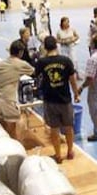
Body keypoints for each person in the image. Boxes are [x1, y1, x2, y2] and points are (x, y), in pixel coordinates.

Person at [34, 35, 80, 163]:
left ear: (45, 47)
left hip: (50, 100)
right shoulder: (66, 61)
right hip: (65, 99)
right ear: (56, 45)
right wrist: (76, 94)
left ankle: (58, 155)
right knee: (68, 127)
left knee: (54, 129)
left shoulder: (42, 62)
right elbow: (73, 80)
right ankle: (70, 151)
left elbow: (35, 77)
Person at [0, 40, 34, 138]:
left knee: (2, 126)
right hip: (9, 99)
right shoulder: (21, 63)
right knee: (13, 128)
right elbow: (34, 72)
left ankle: (4, 147)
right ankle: (13, 147)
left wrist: (3, 81)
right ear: (20, 52)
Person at [78, 33, 97, 141]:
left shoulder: (93, 59)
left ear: (93, 44)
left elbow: (90, 78)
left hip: (95, 88)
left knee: (94, 110)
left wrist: (81, 87)